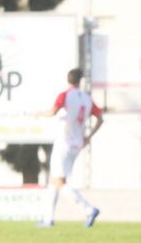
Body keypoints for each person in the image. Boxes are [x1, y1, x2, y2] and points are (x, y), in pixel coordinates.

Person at [35, 69, 104, 228]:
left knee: (59, 181)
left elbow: (53, 111)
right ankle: (48, 218)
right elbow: (100, 119)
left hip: (64, 143)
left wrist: (39, 113)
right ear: (80, 81)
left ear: (68, 79)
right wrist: (88, 136)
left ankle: (89, 209)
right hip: (77, 143)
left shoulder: (65, 95)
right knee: (54, 180)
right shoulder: (87, 98)